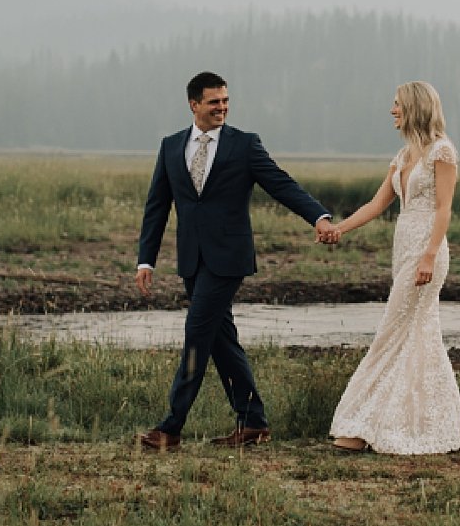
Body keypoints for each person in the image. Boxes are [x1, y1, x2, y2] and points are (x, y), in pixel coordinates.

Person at [135, 71, 336, 450]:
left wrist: (319, 217)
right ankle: (253, 423)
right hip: (192, 260)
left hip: (229, 258)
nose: (222, 108)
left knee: (197, 334)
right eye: (214, 102)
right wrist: (146, 260)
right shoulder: (171, 146)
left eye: (226, 101)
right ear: (194, 104)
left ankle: (171, 428)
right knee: (220, 340)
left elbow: (281, 184)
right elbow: (157, 206)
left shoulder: (244, 145)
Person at [323, 81, 460, 455]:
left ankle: (362, 426)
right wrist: (339, 228)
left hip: (427, 249)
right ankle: (421, 422)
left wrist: (430, 255)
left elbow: (444, 208)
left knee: (392, 331)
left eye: (397, 104)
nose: (392, 110)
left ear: (415, 107)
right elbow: (377, 205)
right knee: (416, 333)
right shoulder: (404, 155)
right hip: (403, 249)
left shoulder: (442, 151)